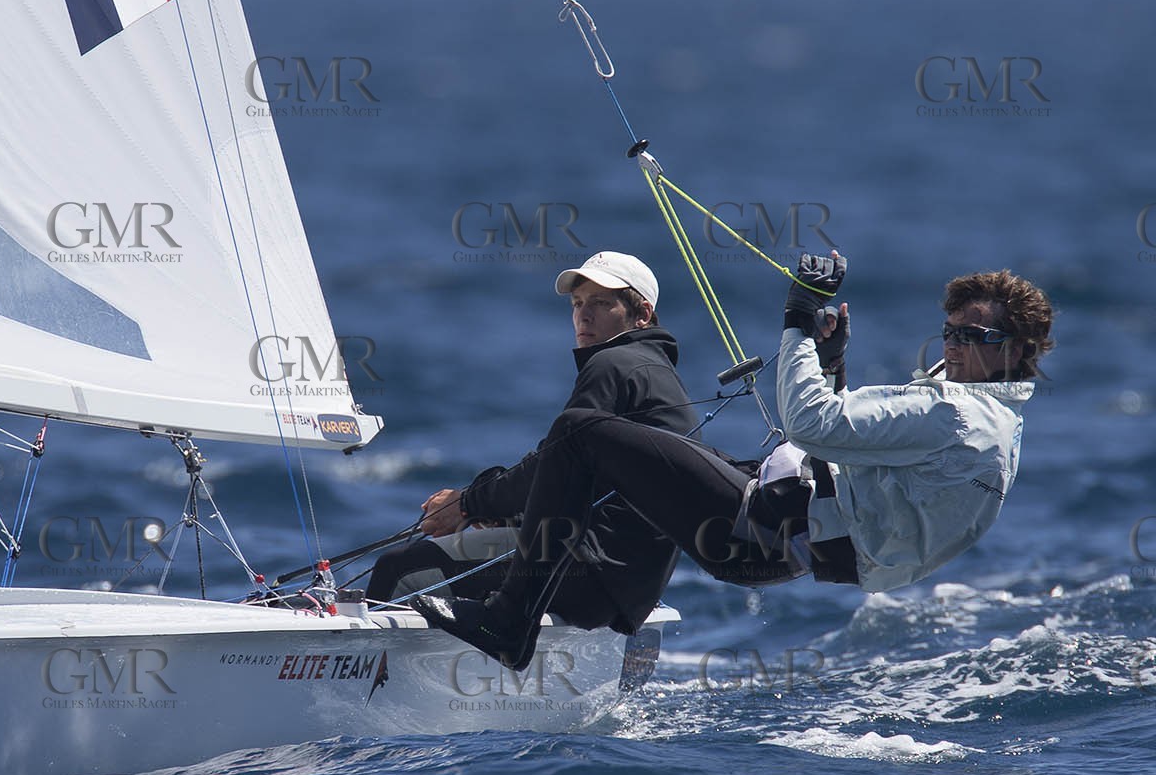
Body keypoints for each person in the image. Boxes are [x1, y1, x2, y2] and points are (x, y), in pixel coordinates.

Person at [414, 254, 1054, 670]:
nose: (958, 346)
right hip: (774, 526)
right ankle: (529, 604)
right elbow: (849, 450)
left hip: (756, 534)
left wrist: (798, 323)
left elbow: (810, 425)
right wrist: (829, 364)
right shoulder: (991, 420)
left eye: (977, 337)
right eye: (951, 332)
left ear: (1018, 349)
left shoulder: (959, 414)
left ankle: (510, 621)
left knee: (582, 432)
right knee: (604, 447)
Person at [366, 251, 698, 636]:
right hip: (627, 586)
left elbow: (552, 465)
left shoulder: (613, 365)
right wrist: (508, 515)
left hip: (584, 569)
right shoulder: (656, 374)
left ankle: (362, 688)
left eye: (601, 303)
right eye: (577, 303)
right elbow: (593, 482)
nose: (583, 315)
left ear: (641, 314)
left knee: (399, 568)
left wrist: (468, 503)